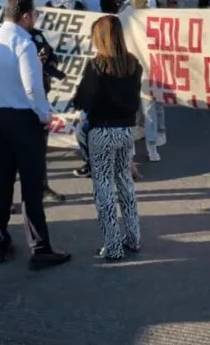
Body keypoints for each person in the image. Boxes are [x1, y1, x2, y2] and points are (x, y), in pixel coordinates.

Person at [0, 0, 70, 270]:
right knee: (31, 184)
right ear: (26, 15)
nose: (36, 19)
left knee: (2, 180)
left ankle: (0, 240)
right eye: (35, 14)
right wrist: (44, 116)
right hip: (23, 120)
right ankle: (40, 247)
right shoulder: (24, 43)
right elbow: (33, 87)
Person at [72, 15, 143, 260]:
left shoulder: (97, 65)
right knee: (125, 181)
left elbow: (84, 99)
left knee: (103, 186)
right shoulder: (133, 64)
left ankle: (112, 245)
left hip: (102, 130)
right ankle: (133, 237)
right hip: (126, 130)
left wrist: (76, 99)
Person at [125, 0, 167, 161]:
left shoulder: (152, 17)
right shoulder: (125, 15)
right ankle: (131, 148)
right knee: (130, 112)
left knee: (149, 112)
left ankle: (152, 146)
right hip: (127, 72)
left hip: (148, 73)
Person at [29, 27, 67, 203]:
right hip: (20, 102)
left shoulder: (36, 35)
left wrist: (50, 64)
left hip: (40, 98)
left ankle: (42, 187)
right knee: (13, 155)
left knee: (39, 149)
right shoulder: (11, 40)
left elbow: (52, 55)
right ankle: (6, 199)